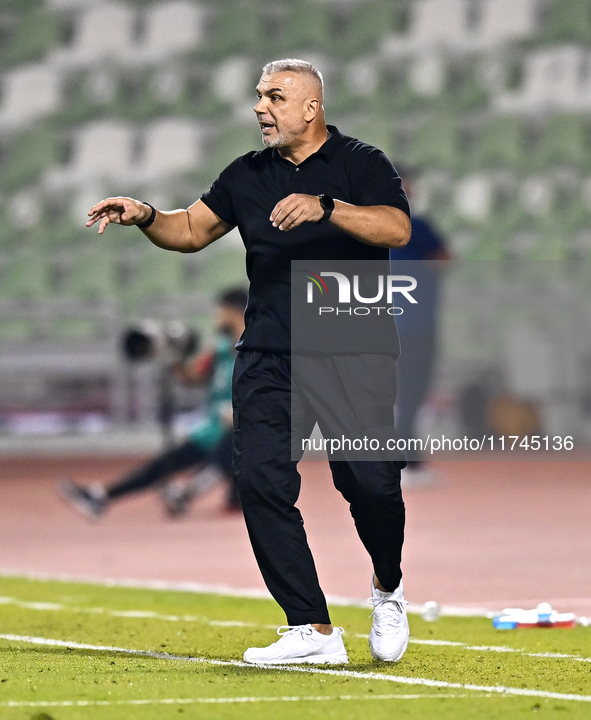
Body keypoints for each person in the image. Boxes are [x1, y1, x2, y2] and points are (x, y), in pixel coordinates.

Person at [85, 59, 411, 665]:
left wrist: (327, 207)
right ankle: (312, 628)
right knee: (261, 481)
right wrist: (148, 216)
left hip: (351, 349)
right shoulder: (246, 175)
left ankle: (388, 589)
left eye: (276, 97)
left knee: (369, 484)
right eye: (260, 96)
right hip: (267, 355)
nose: (261, 107)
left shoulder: (362, 163)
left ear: (311, 107)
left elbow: (396, 229)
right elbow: (190, 230)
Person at [59, 288, 247, 519]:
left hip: (242, 431)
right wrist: (173, 358)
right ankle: (102, 496)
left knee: (237, 442)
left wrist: (241, 410)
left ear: (233, 311)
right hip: (214, 429)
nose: (215, 316)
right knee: (164, 465)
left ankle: (189, 492)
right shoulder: (220, 349)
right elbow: (193, 377)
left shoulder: (256, 349)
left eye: (220, 310)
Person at [389, 168, 451, 487]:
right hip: (413, 323)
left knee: (407, 393)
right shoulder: (414, 225)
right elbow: (444, 259)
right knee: (411, 392)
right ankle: (405, 461)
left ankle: (407, 459)